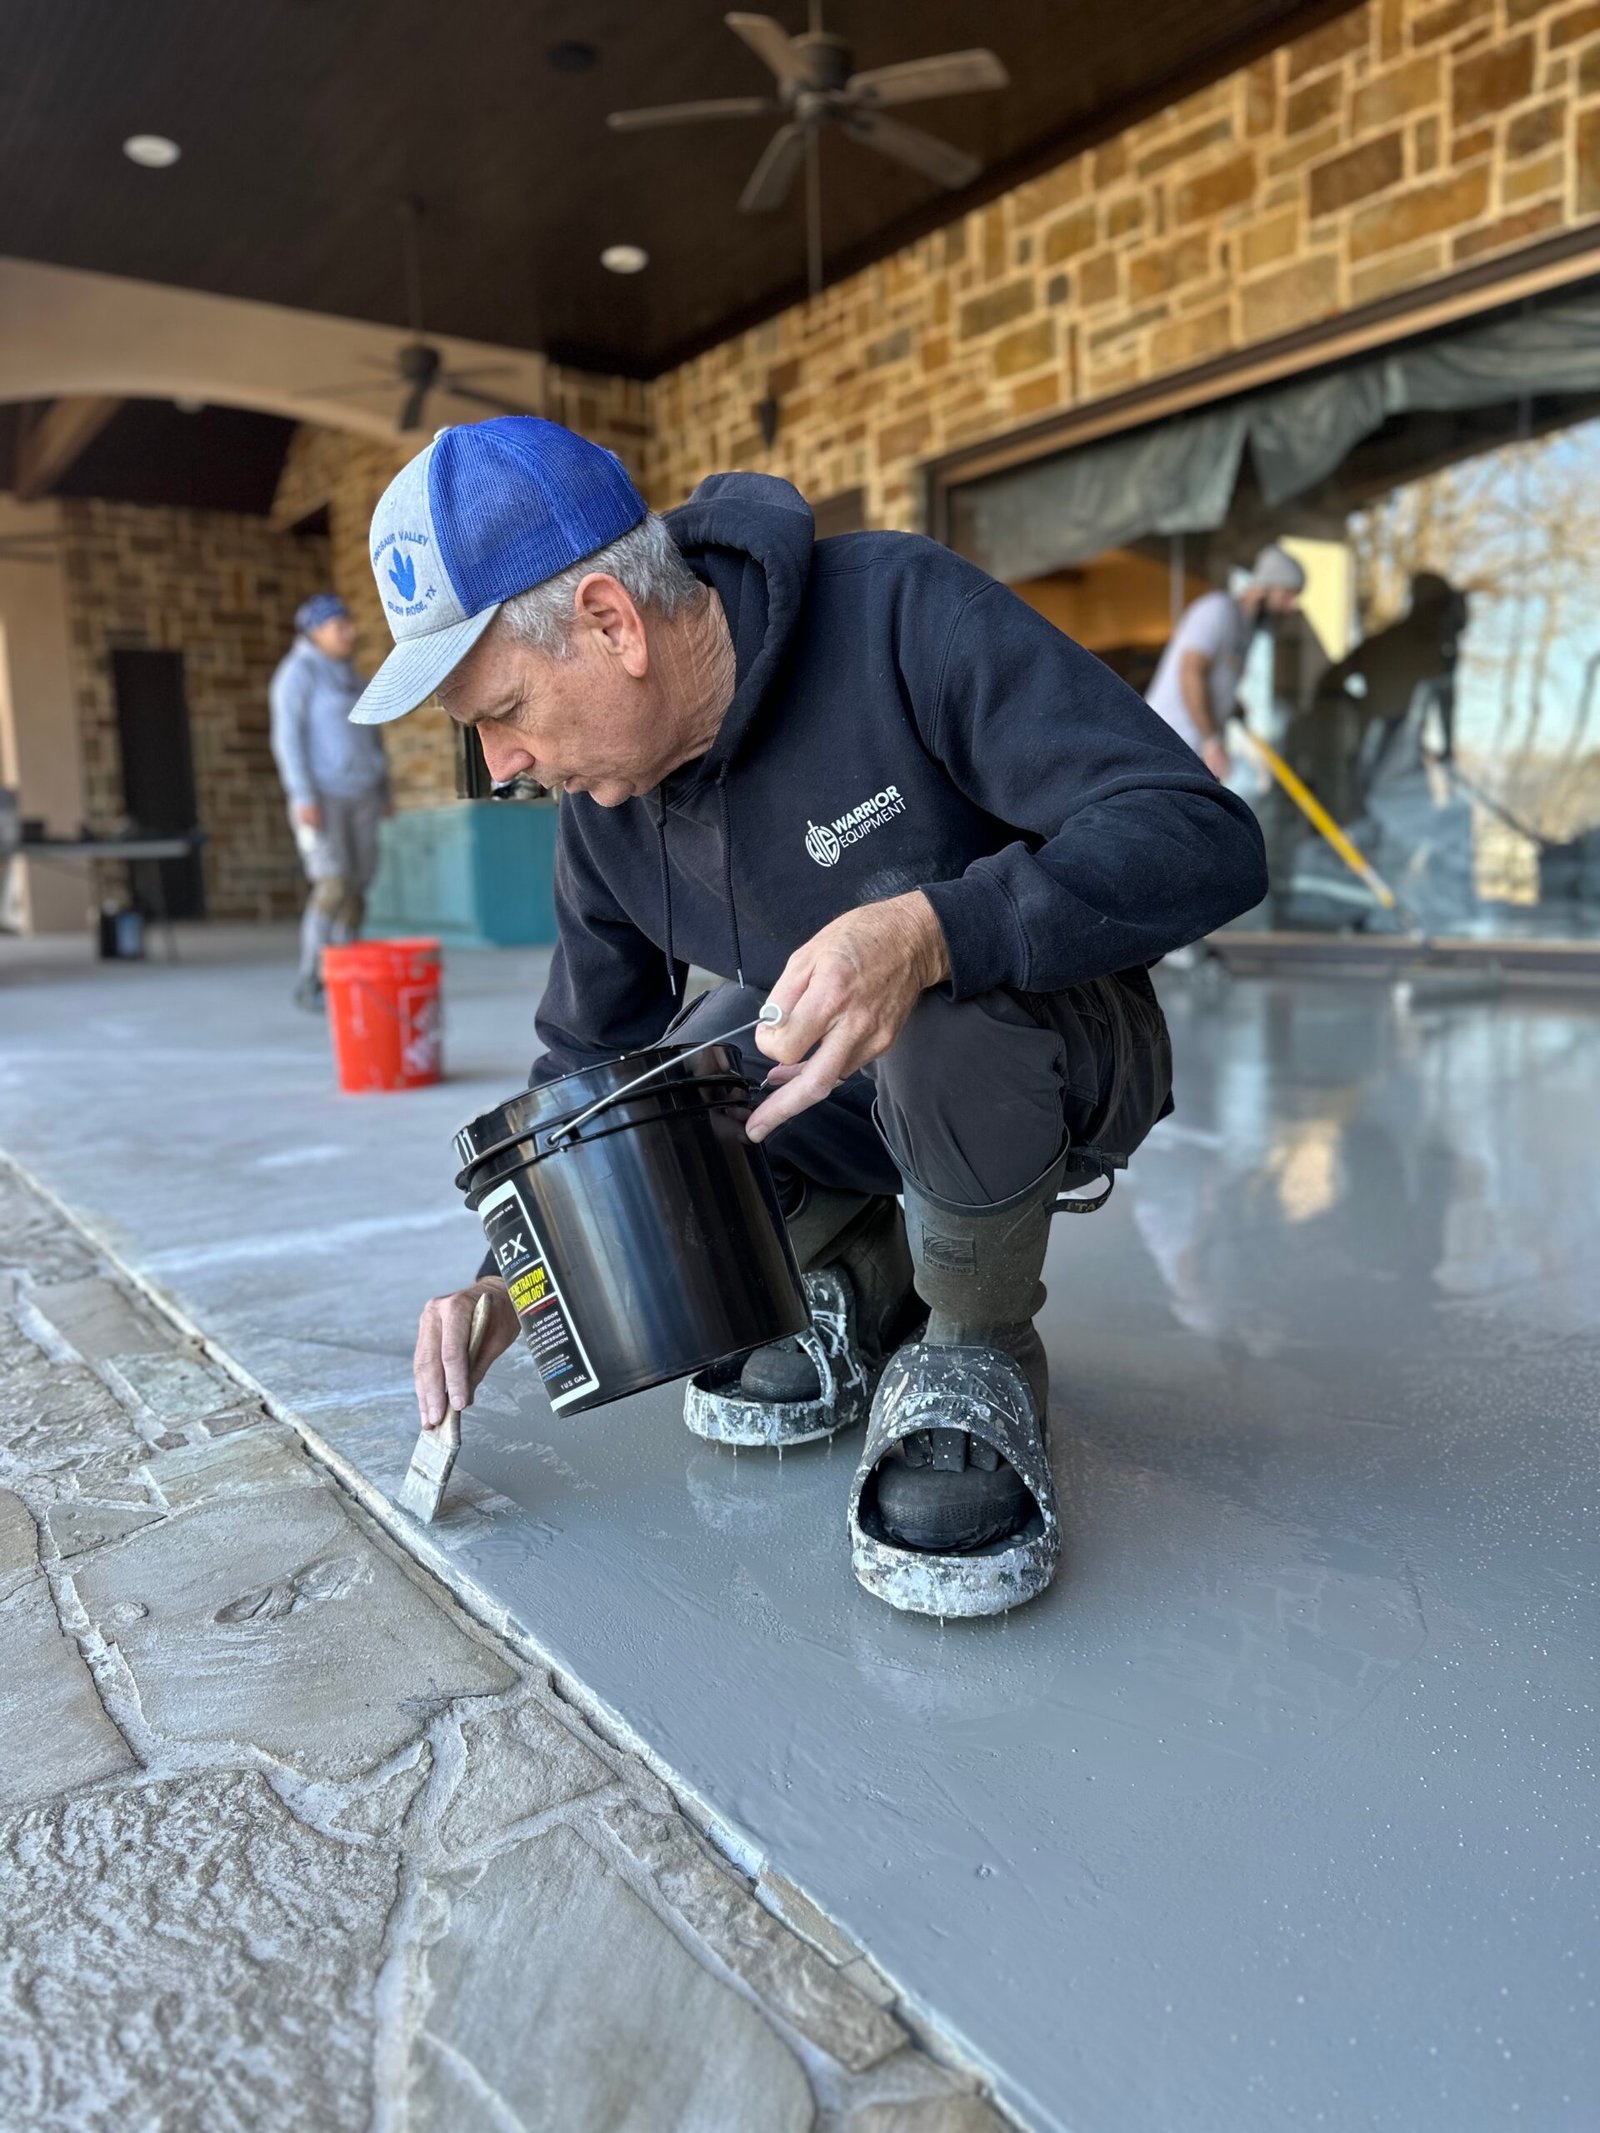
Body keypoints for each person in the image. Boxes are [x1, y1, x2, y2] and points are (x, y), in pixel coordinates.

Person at [351, 419, 1267, 1617]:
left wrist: (934, 928)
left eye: (504, 708)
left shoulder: (901, 614)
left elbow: (1204, 837)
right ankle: (856, 1275)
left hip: (1051, 1056)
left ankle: (975, 1349)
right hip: (858, 1096)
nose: (504, 761)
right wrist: (508, 1280)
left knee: (919, 985)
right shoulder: (605, 809)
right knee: (669, 1077)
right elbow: (588, 1057)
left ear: (611, 622)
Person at [269, 593, 391, 1009]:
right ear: (315, 631)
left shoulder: (351, 676)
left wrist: (384, 790)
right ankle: (312, 977)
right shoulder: (297, 674)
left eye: (349, 623)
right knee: (333, 883)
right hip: (321, 798)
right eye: (340, 626)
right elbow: (287, 738)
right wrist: (301, 794)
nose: (349, 632)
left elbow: (372, 735)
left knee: (357, 888)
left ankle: (345, 970)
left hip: (362, 796)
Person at [1144, 546, 1307, 779]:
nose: (1289, 607)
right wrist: (1211, 741)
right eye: (1287, 595)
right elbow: (1190, 674)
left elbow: (1218, 679)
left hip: (1192, 749)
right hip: (1167, 744)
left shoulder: (1246, 629)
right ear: (1265, 587)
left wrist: (1234, 708)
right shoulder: (1217, 610)